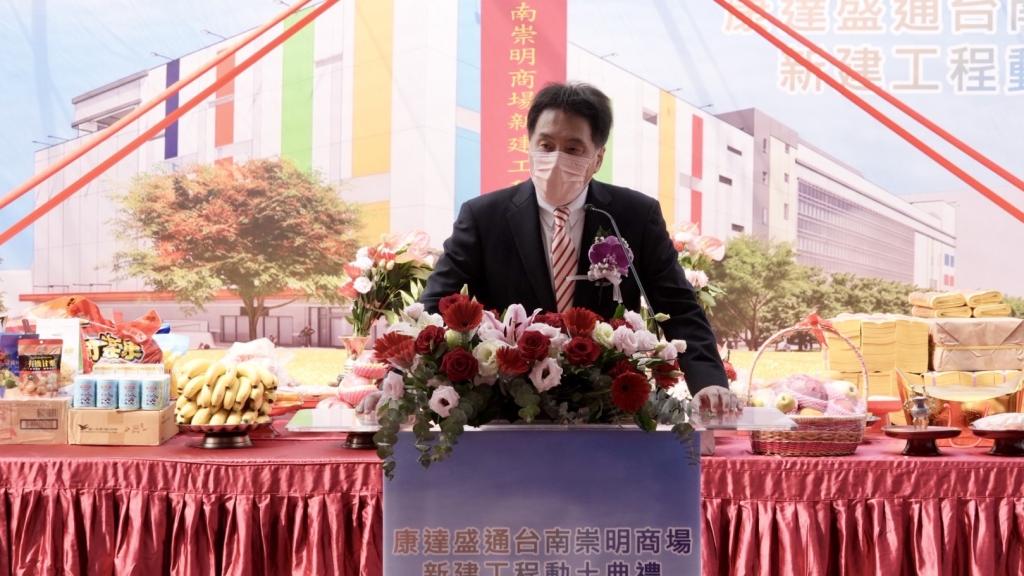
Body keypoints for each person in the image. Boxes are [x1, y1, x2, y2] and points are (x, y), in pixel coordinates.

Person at [421, 82, 740, 414]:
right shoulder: (483, 217)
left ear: (597, 158)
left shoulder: (634, 216)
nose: (556, 158)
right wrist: (409, 381)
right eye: (546, 145)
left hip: (607, 408)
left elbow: (679, 309)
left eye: (573, 149)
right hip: (507, 407)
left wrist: (709, 382)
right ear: (529, 145)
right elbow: (435, 307)